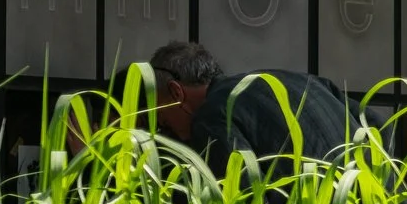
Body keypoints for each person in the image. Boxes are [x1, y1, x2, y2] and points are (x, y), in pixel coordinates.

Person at [147, 41, 360, 164]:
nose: (171, 133)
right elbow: (374, 122)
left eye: (164, 120)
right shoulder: (300, 80)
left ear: (176, 93)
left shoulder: (212, 115)